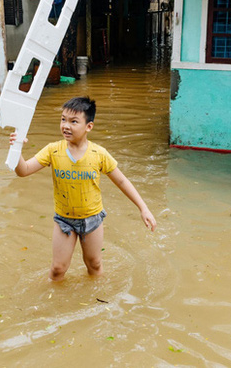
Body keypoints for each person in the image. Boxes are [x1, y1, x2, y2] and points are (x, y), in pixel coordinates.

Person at [9, 96, 157, 281]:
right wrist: (16, 150)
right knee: (57, 269)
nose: (66, 126)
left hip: (92, 219)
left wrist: (143, 208)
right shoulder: (52, 150)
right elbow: (24, 171)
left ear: (89, 126)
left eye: (73, 121)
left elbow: (122, 182)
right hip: (64, 220)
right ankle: (54, 302)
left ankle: (97, 300)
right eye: (63, 119)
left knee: (94, 264)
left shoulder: (99, 154)